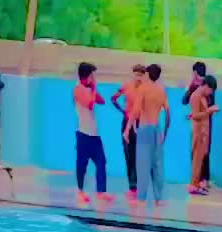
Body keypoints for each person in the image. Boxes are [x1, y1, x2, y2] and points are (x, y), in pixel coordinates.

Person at [126, 63, 171, 207]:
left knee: (143, 164)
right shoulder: (161, 90)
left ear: (147, 74)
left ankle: (141, 199)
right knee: (158, 165)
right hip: (157, 129)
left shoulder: (143, 88)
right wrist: (165, 132)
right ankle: (159, 199)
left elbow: (136, 110)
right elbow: (168, 113)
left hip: (145, 128)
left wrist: (127, 129)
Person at [73, 62, 112, 205]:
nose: (93, 78)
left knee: (101, 161)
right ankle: (80, 191)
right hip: (84, 134)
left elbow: (101, 101)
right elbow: (89, 105)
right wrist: (93, 88)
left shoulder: (89, 89)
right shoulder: (78, 89)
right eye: (91, 75)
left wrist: (93, 88)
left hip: (94, 135)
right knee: (82, 165)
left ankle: (101, 192)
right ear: (86, 76)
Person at [111, 64, 146, 199]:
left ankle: (139, 185)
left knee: (139, 155)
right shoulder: (126, 86)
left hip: (140, 123)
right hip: (127, 122)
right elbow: (113, 98)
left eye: (141, 75)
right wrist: (123, 111)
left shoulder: (145, 89)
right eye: (137, 74)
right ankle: (132, 187)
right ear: (133, 74)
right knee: (128, 154)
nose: (138, 77)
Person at [188, 77, 219, 195]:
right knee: (196, 160)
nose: (210, 93)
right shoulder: (195, 96)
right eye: (210, 90)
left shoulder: (202, 97)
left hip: (203, 132)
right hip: (198, 132)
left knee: (200, 160)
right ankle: (193, 185)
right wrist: (210, 110)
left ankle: (197, 183)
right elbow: (195, 115)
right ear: (206, 86)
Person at [183, 61, 211, 188]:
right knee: (197, 151)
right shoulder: (195, 87)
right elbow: (184, 100)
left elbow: (209, 104)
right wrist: (191, 86)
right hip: (198, 121)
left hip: (204, 121)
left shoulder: (207, 86)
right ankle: (197, 180)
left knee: (203, 150)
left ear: (195, 72)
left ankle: (203, 179)